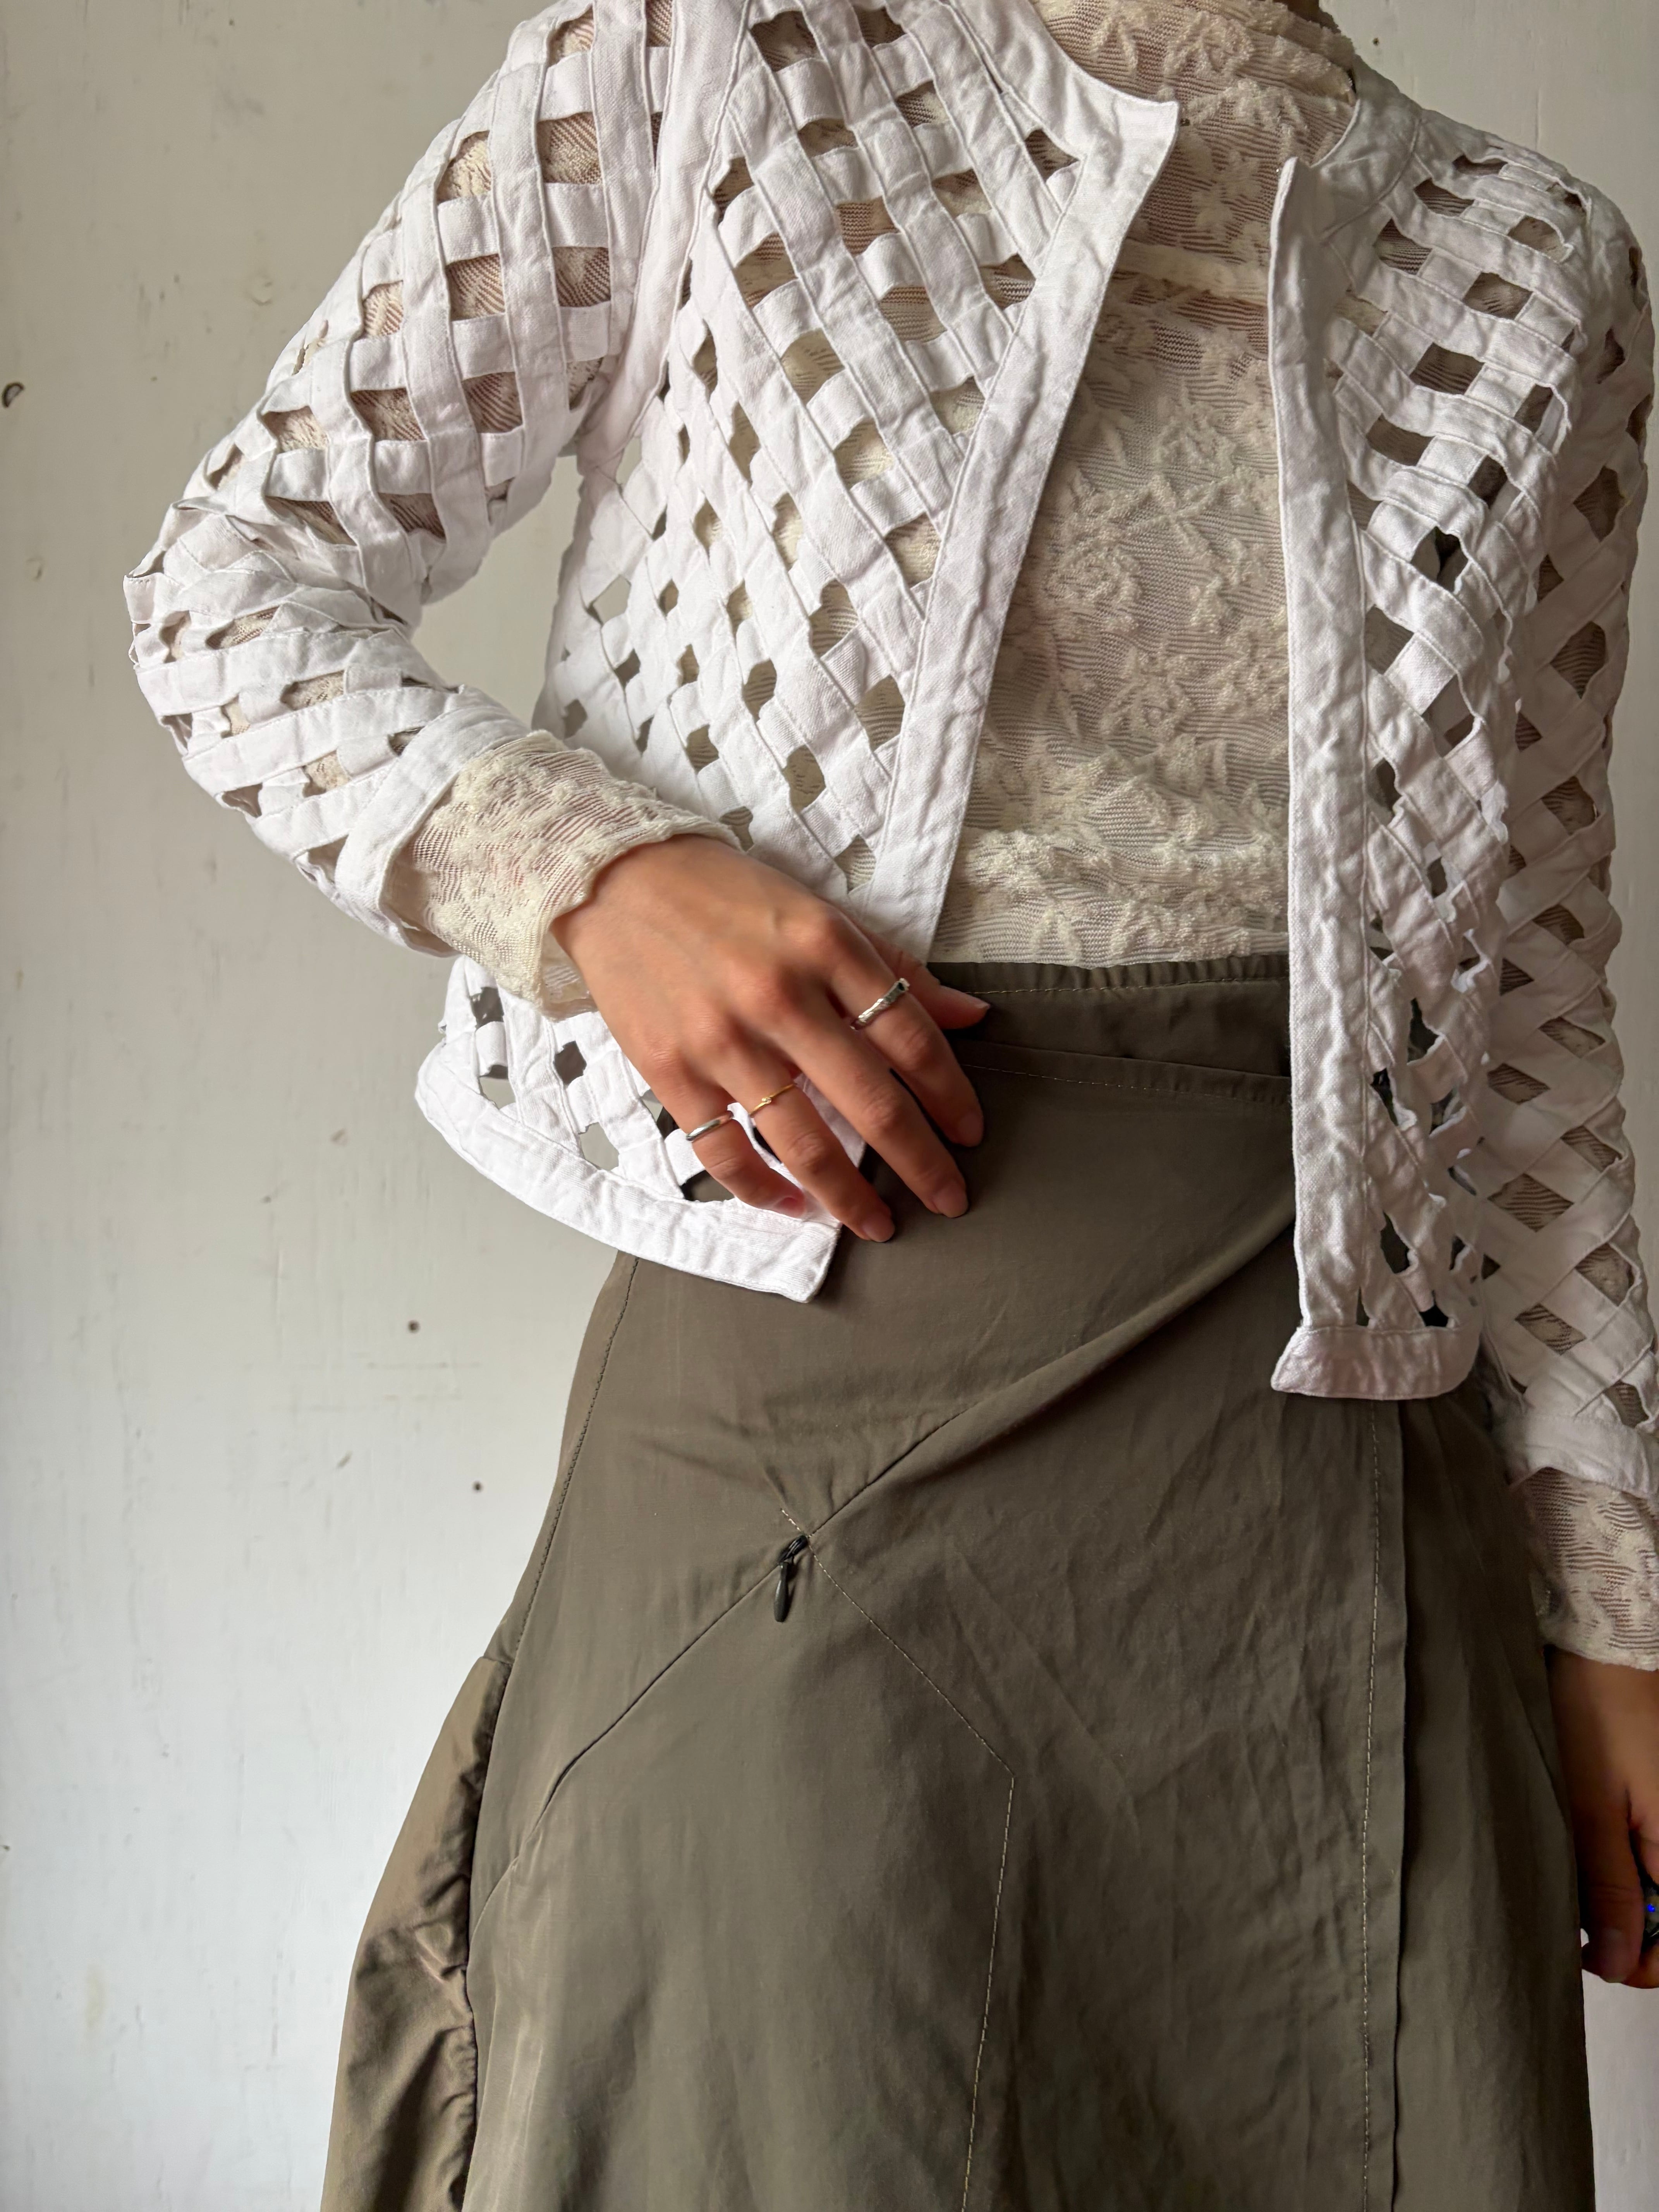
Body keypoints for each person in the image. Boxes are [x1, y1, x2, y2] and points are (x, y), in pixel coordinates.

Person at [127, 2, 1659, 2203]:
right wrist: (589, 875)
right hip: (817, 1430)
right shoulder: (722, 56)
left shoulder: (1538, 265)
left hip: (1341, 1478)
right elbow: (234, 587)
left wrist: (1612, 1607)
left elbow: (1532, 986)